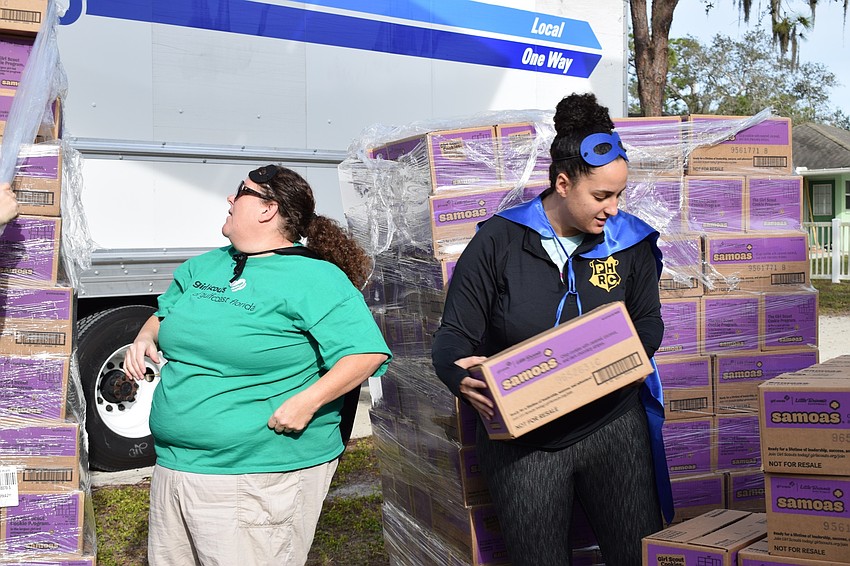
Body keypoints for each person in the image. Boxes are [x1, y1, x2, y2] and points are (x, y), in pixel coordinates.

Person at [431, 93, 671, 566]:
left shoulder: (631, 242)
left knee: (635, 555)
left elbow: (648, 322)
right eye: (601, 196)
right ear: (563, 183)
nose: (614, 209)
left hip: (613, 426)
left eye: (619, 194)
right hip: (527, 441)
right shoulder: (499, 240)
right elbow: (452, 337)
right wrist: (458, 377)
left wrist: (594, 366)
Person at [124, 164, 391, 566]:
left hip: (256, 476)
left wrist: (307, 403)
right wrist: (145, 336)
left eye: (240, 191)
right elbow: (165, 314)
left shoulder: (315, 278)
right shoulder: (205, 266)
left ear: (268, 209)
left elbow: (366, 353)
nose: (230, 199)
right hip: (174, 467)